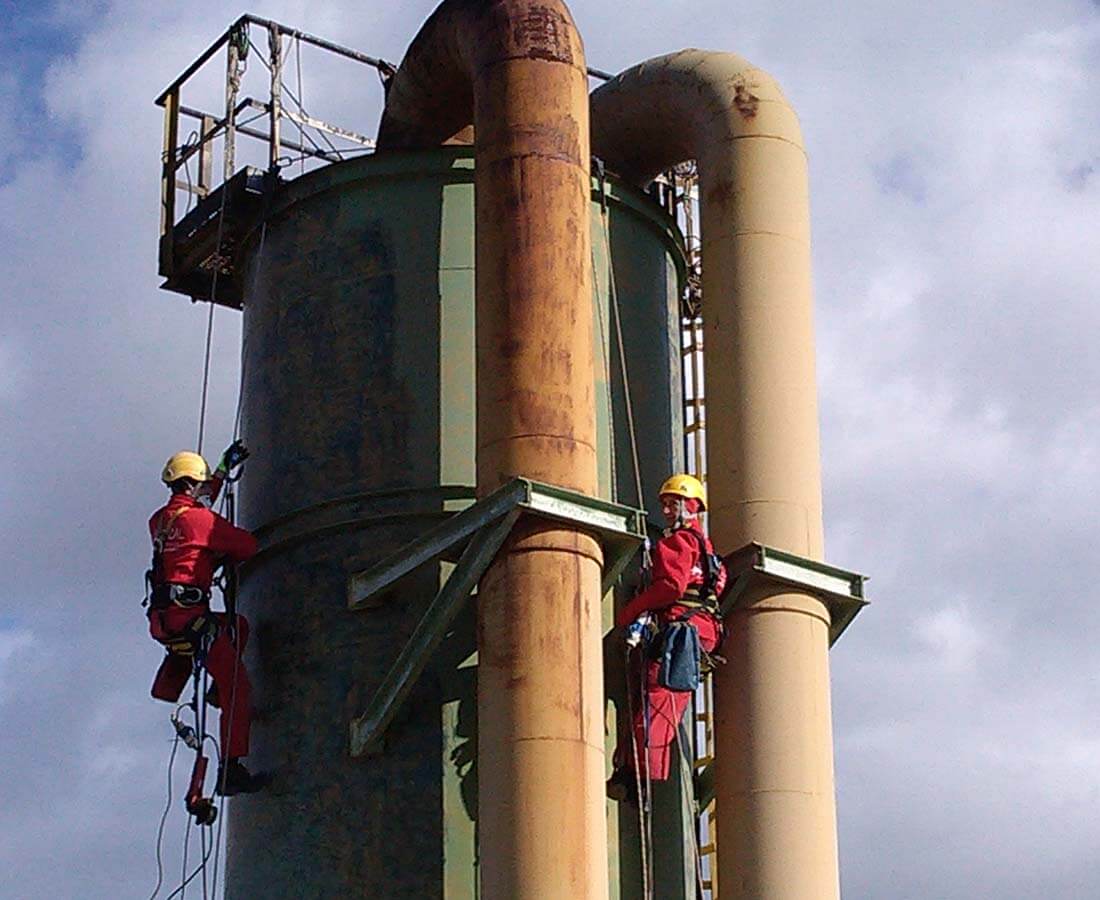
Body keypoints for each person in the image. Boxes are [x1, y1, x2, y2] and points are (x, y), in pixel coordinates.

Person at [147, 442, 266, 795]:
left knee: (238, 627)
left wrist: (219, 472)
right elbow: (246, 546)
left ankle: (212, 692)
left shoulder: (160, 522)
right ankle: (232, 768)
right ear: (194, 483)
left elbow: (193, 511)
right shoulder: (203, 522)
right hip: (193, 621)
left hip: (165, 620)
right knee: (237, 686)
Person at [607, 473, 727, 801]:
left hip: (680, 633)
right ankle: (635, 769)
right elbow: (712, 587)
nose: (667, 511)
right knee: (665, 703)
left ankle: (637, 773)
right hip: (701, 634)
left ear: (690, 507)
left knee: (656, 698)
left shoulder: (677, 543)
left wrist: (630, 612)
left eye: (673, 504)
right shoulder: (710, 554)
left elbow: (671, 586)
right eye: (665, 505)